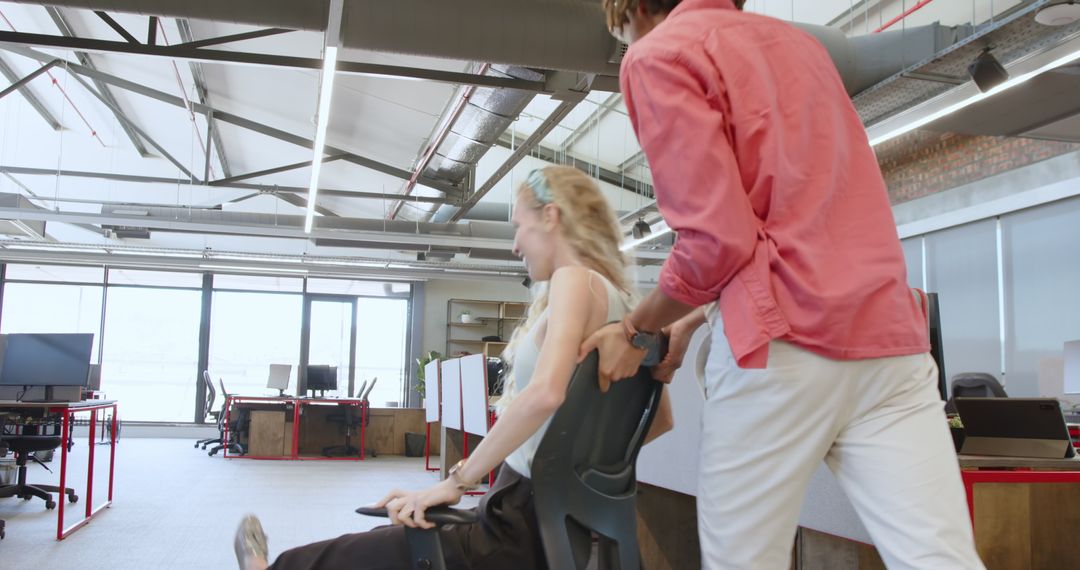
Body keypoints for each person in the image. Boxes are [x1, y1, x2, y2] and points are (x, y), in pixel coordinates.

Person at [581, 1, 986, 569]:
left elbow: (717, 240)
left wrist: (635, 325)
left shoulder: (660, 54)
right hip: (889, 343)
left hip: (780, 353)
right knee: (939, 559)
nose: (627, 45)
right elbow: (801, 222)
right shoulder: (803, 47)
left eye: (622, 32)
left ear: (633, 9)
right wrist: (692, 317)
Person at [233, 165, 673, 570]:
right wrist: (565, 474)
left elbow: (545, 393)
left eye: (519, 226)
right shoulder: (628, 312)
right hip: (556, 526)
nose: (516, 243)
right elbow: (659, 422)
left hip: (512, 528)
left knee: (365, 552)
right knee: (393, 534)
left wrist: (457, 482)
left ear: (551, 216)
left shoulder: (573, 280)